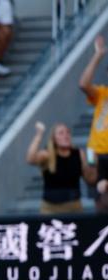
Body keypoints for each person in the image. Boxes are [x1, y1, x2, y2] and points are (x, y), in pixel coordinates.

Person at [26, 122, 96, 214]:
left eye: (67, 132)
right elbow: (30, 159)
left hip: (74, 207)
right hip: (50, 209)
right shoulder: (48, 154)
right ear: (54, 139)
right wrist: (39, 134)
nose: (65, 135)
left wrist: (92, 164)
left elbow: (90, 180)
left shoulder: (78, 153)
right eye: (61, 133)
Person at [80, 35, 108, 212]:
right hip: (95, 151)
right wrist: (98, 56)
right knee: (97, 192)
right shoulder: (102, 93)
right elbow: (83, 84)